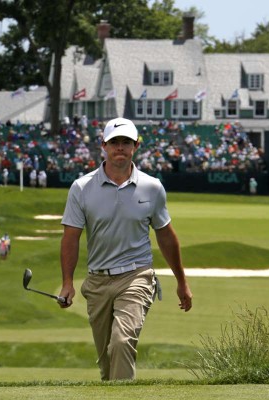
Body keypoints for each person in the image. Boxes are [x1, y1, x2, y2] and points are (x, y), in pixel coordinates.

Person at [59, 117, 193, 381]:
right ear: (104, 146)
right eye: (115, 142)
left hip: (136, 276)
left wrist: (181, 281)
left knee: (121, 342)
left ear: (135, 146)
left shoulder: (152, 187)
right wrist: (67, 282)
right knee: (106, 361)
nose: (120, 147)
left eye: (126, 142)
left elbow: (166, 236)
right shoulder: (82, 188)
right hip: (97, 280)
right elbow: (71, 238)